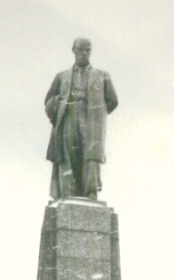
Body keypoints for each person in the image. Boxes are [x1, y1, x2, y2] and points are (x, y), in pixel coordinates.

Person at [45, 37, 118, 200]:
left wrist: (97, 113)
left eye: (88, 50)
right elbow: (48, 101)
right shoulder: (61, 76)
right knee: (67, 155)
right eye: (81, 50)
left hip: (90, 120)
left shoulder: (102, 76)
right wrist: (60, 104)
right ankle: (68, 193)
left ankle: (90, 194)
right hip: (68, 119)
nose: (84, 53)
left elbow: (112, 101)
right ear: (74, 51)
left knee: (90, 155)